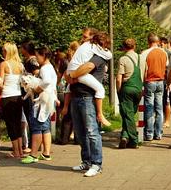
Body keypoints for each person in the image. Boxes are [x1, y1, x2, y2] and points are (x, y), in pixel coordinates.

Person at [66, 37, 106, 177]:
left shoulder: (98, 56)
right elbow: (69, 74)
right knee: (80, 132)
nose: (83, 39)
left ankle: (96, 164)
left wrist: (73, 75)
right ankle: (86, 161)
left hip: (88, 97)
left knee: (92, 132)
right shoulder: (85, 52)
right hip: (76, 95)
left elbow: (87, 67)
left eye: (86, 36)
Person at [65, 29, 112, 127]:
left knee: (69, 87)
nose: (83, 39)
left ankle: (66, 107)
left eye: (85, 37)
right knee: (100, 89)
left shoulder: (84, 46)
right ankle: (100, 114)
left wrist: (70, 76)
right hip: (77, 72)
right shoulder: (93, 46)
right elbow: (108, 55)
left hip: (71, 71)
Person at [22, 46, 58, 163]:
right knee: (45, 127)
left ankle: (33, 154)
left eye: (38, 56)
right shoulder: (50, 67)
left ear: (44, 56)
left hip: (42, 101)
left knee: (37, 126)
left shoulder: (45, 68)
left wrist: (37, 89)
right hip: (48, 100)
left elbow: (46, 81)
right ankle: (46, 153)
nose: (36, 58)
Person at [0, 42, 26, 158]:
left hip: (7, 96)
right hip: (18, 96)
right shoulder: (21, 65)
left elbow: (0, 82)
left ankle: (16, 150)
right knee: (17, 123)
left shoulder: (4, 64)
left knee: (10, 125)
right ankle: (20, 149)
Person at [140, 33, 168, 141]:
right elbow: (166, 66)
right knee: (159, 108)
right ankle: (159, 133)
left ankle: (149, 133)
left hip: (150, 81)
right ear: (158, 42)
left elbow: (142, 69)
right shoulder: (163, 53)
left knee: (149, 108)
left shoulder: (145, 53)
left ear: (149, 42)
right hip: (161, 81)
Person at [116, 38, 143, 149]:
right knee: (130, 114)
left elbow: (119, 78)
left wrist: (119, 90)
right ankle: (124, 136)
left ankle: (133, 140)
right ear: (134, 46)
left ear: (124, 47)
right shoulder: (141, 57)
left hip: (127, 88)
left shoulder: (123, 59)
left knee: (127, 115)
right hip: (138, 88)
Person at [160, 36, 171, 130]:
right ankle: (160, 120)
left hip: (166, 79)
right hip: (160, 79)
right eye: (160, 43)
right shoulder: (158, 52)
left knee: (167, 102)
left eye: (163, 43)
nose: (161, 45)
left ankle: (167, 121)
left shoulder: (169, 53)